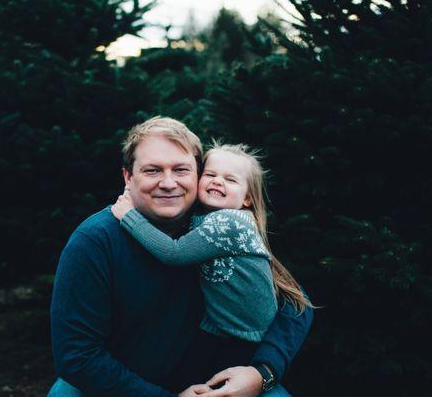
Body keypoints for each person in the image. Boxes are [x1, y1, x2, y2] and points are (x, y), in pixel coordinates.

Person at [49, 117, 313, 397]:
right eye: (152, 170)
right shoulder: (95, 240)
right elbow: (77, 356)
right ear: (128, 176)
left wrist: (262, 372)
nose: (168, 183)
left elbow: (295, 301)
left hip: (214, 380)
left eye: (181, 170)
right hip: (124, 386)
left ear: (198, 174)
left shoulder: (214, 226)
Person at [109, 142, 313, 382]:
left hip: (244, 337)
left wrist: (130, 217)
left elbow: (174, 254)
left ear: (247, 198)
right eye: (211, 175)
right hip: (218, 326)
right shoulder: (203, 216)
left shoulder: (230, 222)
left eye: (230, 179)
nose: (218, 181)